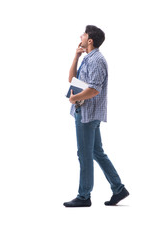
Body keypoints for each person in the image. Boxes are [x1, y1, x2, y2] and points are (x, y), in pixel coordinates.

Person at [63, 25, 129, 207]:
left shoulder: (97, 60)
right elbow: (72, 79)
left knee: (84, 154)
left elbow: (94, 89)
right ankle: (118, 188)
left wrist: (74, 98)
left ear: (89, 40)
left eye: (83, 34)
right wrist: (76, 56)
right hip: (85, 112)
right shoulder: (87, 58)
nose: (80, 36)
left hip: (87, 114)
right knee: (96, 152)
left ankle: (84, 196)